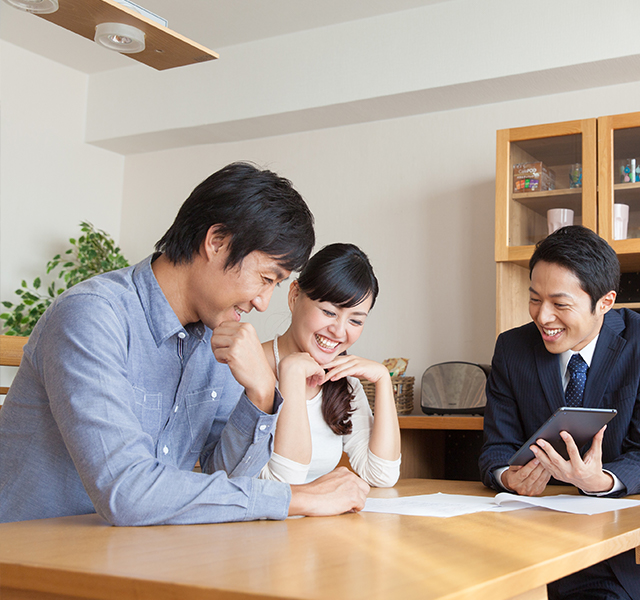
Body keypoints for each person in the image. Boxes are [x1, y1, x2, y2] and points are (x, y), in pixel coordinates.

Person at [0, 162, 369, 525]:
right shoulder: (92, 315)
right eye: (265, 278)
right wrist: (298, 498)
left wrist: (260, 394)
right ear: (217, 241)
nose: (262, 302)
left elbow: (227, 478)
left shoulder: (218, 334)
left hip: (139, 554)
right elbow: (128, 493)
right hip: (31, 559)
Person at [478, 225, 640, 600]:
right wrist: (509, 477)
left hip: (631, 548)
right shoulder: (512, 349)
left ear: (605, 302)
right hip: (540, 541)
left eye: (560, 304)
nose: (543, 317)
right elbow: (496, 449)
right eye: (534, 299)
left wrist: (601, 480)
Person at [258, 243, 401, 487]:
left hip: (315, 523)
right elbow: (281, 483)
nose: (338, 331)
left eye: (355, 321)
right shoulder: (249, 368)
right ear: (294, 296)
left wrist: (382, 380)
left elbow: (382, 475)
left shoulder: (342, 382)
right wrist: (291, 377)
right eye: (329, 312)